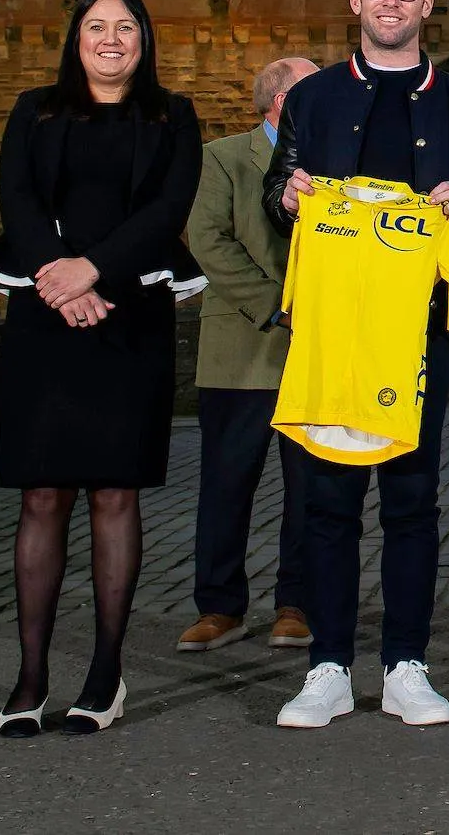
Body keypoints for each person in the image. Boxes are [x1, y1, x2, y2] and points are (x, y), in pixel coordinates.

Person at [263, 0, 449, 729]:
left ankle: (407, 663)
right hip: (331, 325)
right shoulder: (314, 98)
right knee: (328, 497)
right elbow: (276, 191)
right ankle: (328, 665)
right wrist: (289, 194)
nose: (391, 1)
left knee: (410, 499)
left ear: (427, 5)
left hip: (420, 328)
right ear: (355, 1)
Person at [0, 0, 205, 737]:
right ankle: (31, 674)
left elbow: (166, 212)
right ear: (76, 39)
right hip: (44, 316)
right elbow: (15, 200)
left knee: (115, 494)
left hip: (128, 313)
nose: (111, 39)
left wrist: (93, 271)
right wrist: (58, 276)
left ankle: (106, 673)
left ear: (145, 40)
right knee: (41, 494)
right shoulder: (34, 109)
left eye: (126, 28)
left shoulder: (173, 116)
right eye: (96, 27)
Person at [178, 55, 318, 655]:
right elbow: (207, 240)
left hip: (316, 352)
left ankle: (297, 604)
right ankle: (219, 607)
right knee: (228, 485)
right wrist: (275, 304)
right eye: (315, 92)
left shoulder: (334, 164)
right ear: (281, 102)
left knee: (309, 489)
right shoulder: (224, 158)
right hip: (242, 347)